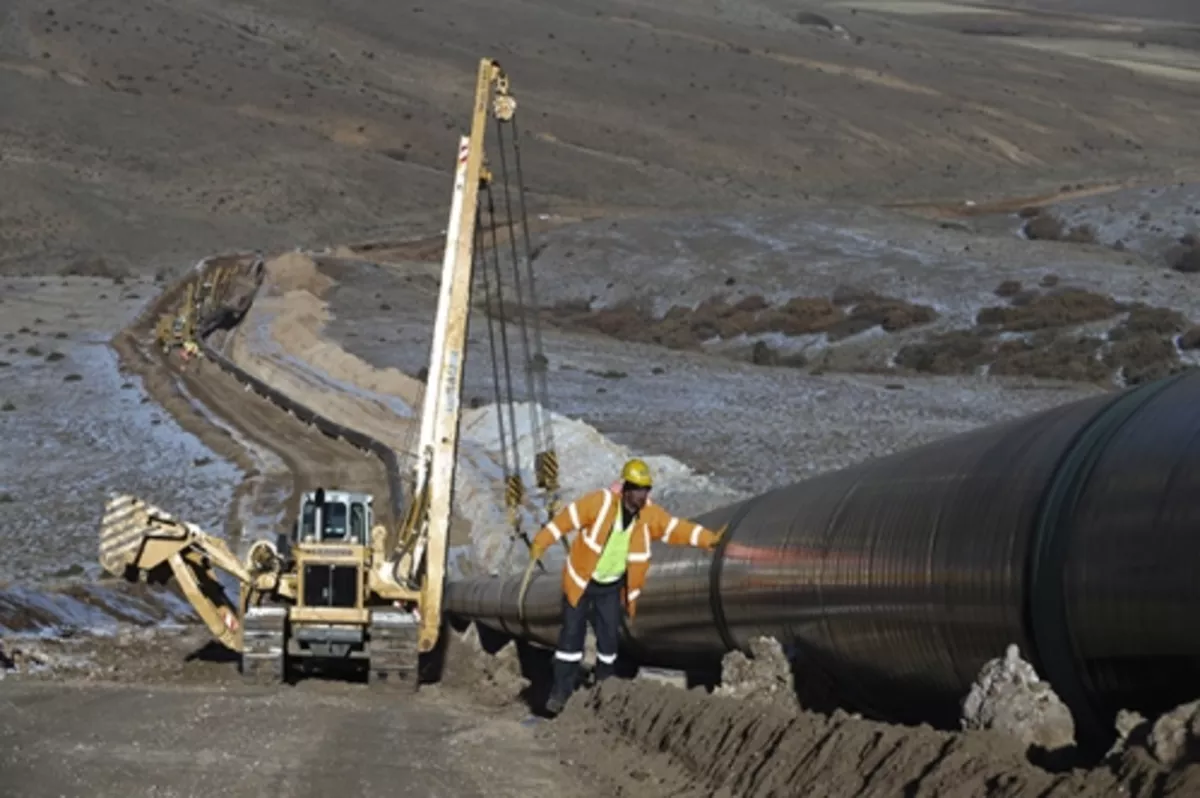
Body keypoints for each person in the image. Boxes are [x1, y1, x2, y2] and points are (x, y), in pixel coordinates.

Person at [529, 457, 726, 715]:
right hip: (582, 583)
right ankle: (560, 695)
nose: (643, 496)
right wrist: (542, 541)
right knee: (570, 641)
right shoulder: (599, 504)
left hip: (610, 587)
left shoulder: (648, 516)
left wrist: (708, 539)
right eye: (638, 490)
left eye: (646, 490)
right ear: (625, 489)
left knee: (609, 643)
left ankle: (603, 692)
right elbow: (568, 519)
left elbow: (676, 529)